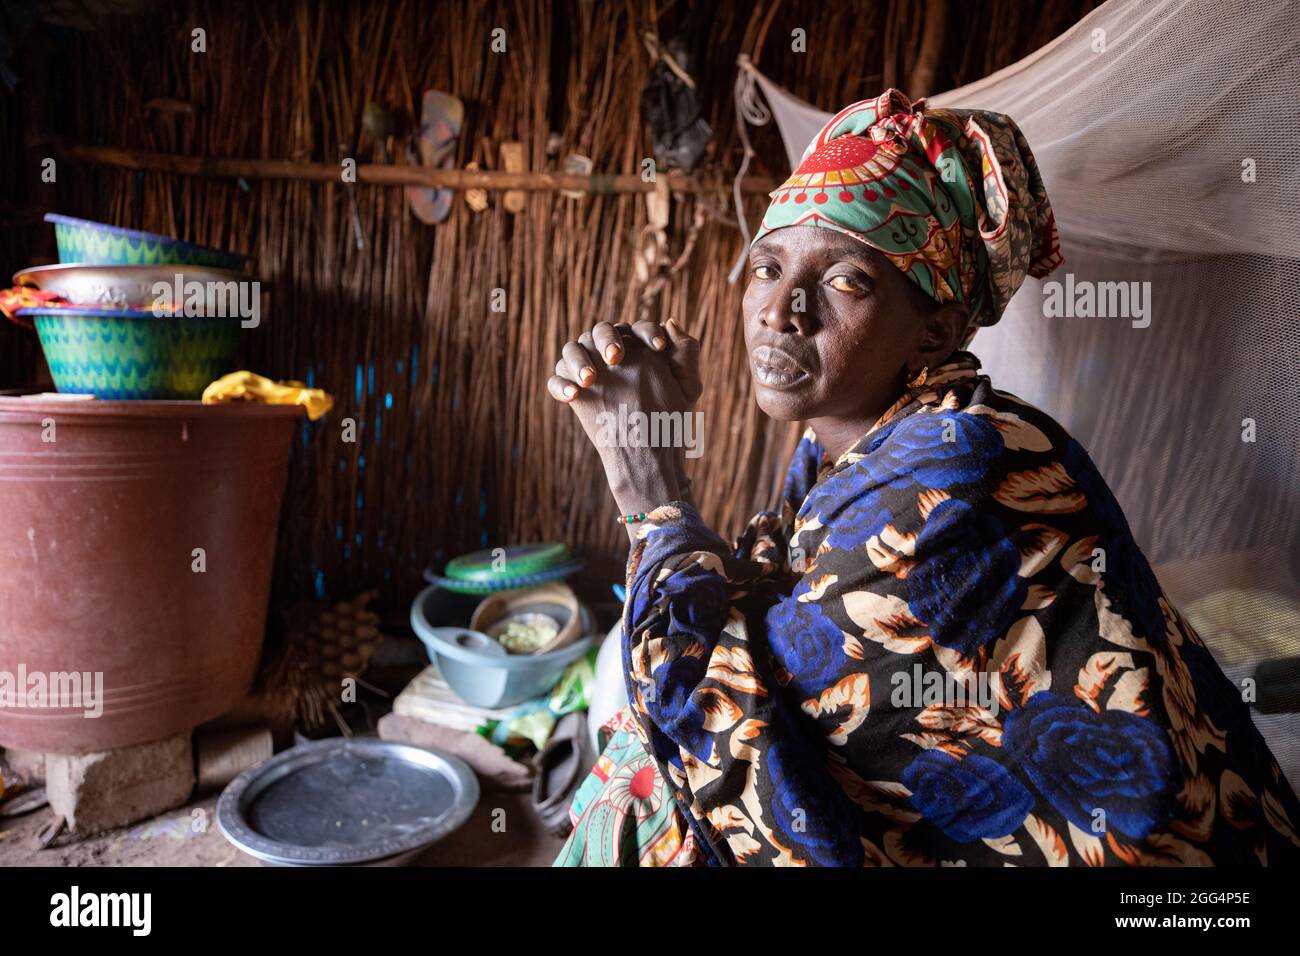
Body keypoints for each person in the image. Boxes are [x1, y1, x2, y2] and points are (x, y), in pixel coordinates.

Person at [545, 90, 1300, 866]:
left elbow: (721, 710)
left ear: (934, 329)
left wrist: (649, 487)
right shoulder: (866, 436)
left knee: (650, 788)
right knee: (643, 756)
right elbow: (772, 608)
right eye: (768, 267)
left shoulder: (954, 465)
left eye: (845, 281)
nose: (782, 309)